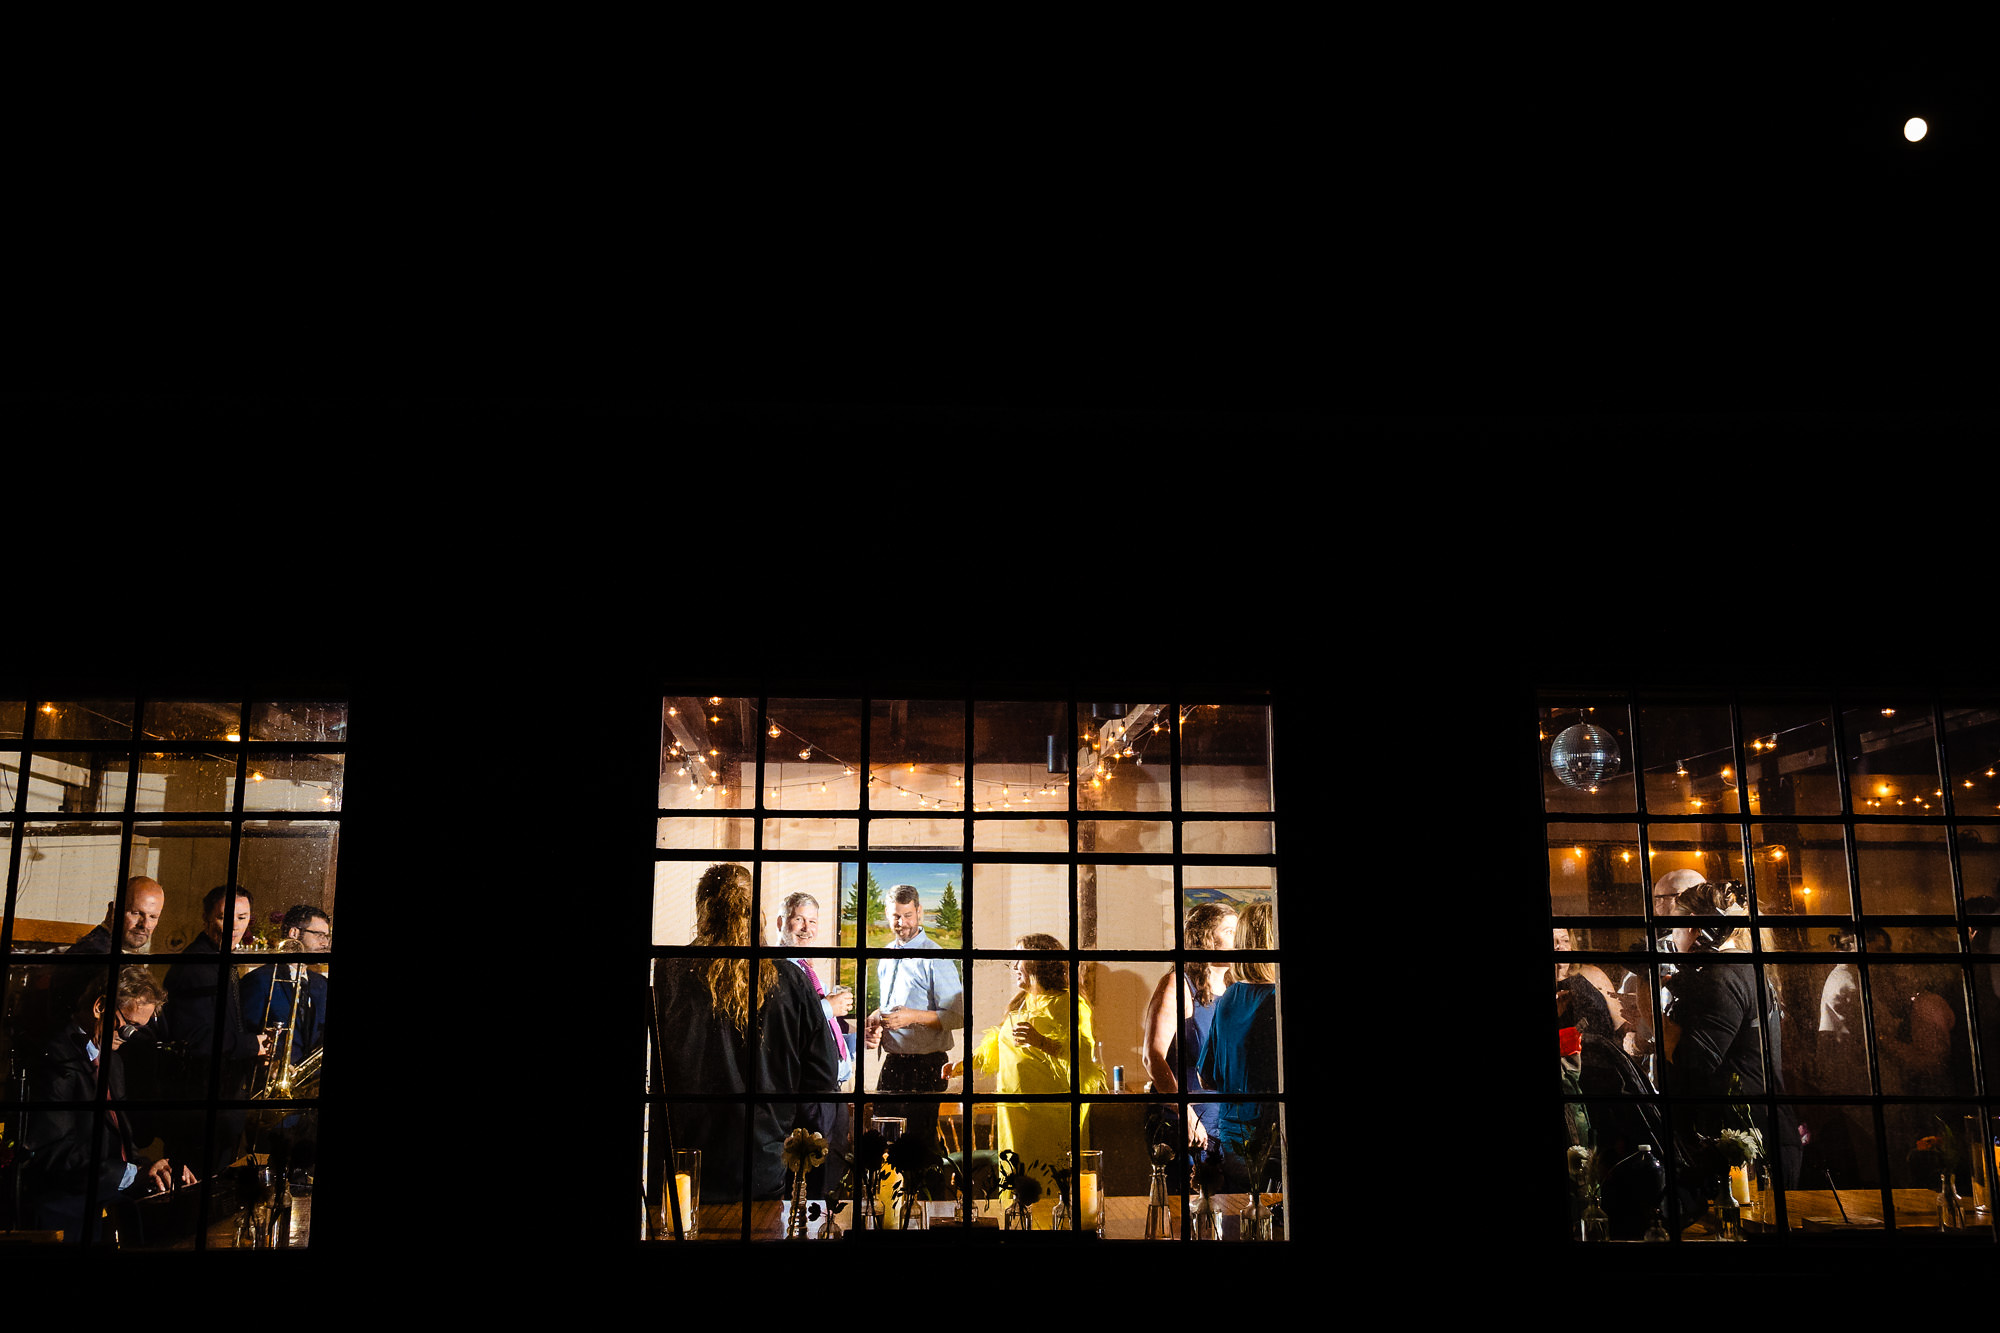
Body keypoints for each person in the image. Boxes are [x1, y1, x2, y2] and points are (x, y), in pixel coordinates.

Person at [652, 864, 838, 1203]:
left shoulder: (671, 970)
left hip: (687, 1162)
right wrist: (779, 1115)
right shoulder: (789, 978)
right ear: (757, 910)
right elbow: (824, 1074)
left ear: (702, 909)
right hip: (762, 1159)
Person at [20, 966, 194, 1241]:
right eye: (129, 1026)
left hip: (109, 1199)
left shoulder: (113, 1060)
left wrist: (150, 1169)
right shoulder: (55, 1058)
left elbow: (122, 1142)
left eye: (140, 1030)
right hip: (69, 1212)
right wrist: (131, 1174)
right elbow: (52, 1152)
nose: (129, 1037)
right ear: (100, 1006)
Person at [945, 934, 1107, 1186]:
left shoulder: (1070, 1004)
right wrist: (963, 1066)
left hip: (1051, 1116)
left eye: (1019, 957)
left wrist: (1042, 1041)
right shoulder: (1020, 1004)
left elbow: (1083, 1056)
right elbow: (998, 1047)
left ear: (1037, 963)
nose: (1013, 965)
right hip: (1014, 1114)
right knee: (1016, 1182)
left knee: (1050, 1184)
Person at [162, 885, 269, 1178]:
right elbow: (195, 1040)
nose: (235, 925)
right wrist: (251, 1045)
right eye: (225, 916)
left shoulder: (219, 960)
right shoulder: (197, 965)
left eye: (243, 917)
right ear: (206, 917)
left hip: (220, 1103)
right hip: (200, 1108)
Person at [863, 884, 964, 1146]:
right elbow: (892, 1006)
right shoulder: (885, 956)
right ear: (887, 914)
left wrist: (912, 1017)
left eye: (907, 915)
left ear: (919, 912)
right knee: (882, 1145)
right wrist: (877, 1016)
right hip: (894, 1063)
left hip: (926, 1067)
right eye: (895, 916)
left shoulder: (937, 958)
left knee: (918, 1153)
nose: (902, 922)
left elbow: (958, 1016)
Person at [241, 904, 329, 1191]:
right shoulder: (259, 981)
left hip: (309, 1110)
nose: (324, 944)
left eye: (327, 937)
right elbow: (249, 1033)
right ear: (294, 933)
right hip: (273, 1108)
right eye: (319, 935)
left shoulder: (320, 984)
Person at [1197, 901, 1281, 1192]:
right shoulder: (1276, 999)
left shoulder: (1230, 997)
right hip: (1270, 1137)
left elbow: (1204, 1077)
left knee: (1239, 1224)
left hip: (1232, 1134)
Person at [1141, 903, 1236, 1157]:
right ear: (1205, 939)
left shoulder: (1235, 988)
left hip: (1228, 1121)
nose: (1238, 940)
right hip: (1186, 1122)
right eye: (1229, 932)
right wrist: (1186, 1114)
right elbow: (1152, 1057)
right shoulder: (1177, 984)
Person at [49, 876, 167, 1029]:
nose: (144, 925)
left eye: (153, 917)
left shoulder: (111, 952)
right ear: (112, 911)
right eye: (136, 913)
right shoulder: (97, 955)